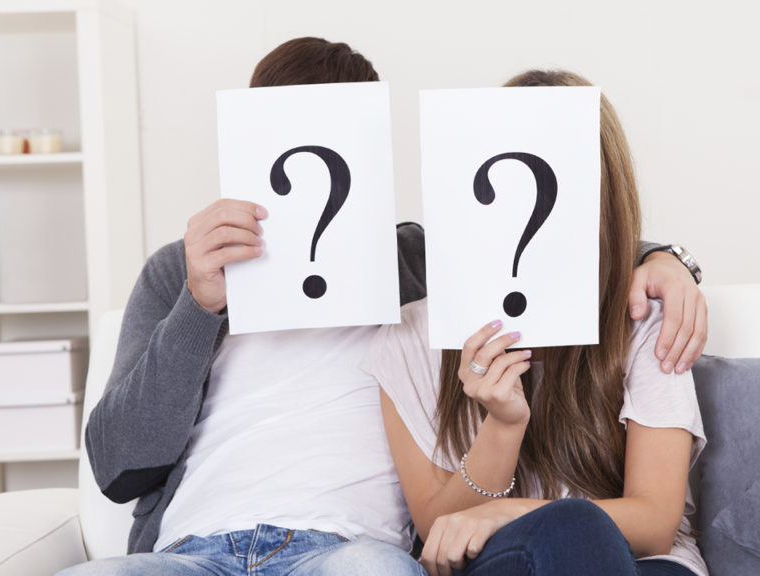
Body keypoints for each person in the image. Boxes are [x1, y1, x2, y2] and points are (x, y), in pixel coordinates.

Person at [62, 39, 707, 575]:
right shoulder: (179, 272)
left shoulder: (412, 261)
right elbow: (118, 468)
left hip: (346, 551)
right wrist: (197, 310)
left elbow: (543, 226)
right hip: (187, 553)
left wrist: (667, 260)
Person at [364, 70, 708, 576]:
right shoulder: (410, 338)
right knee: (567, 530)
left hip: (643, 564)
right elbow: (441, 532)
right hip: (506, 565)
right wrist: (503, 427)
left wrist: (513, 511)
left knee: (576, 528)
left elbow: (655, 520)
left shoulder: (644, 317)